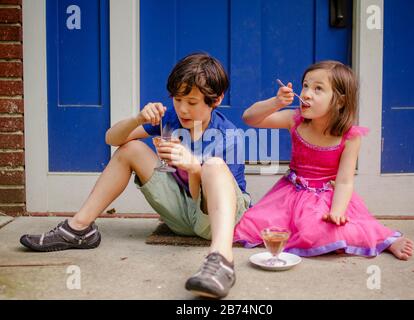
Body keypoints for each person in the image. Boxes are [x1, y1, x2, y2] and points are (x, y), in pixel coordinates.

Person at [20, 52, 251, 299]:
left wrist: (194, 168)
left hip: (218, 220)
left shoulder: (229, 136)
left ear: (215, 100)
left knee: (213, 165)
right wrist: (138, 119)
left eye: (192, 102)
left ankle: (221, 260)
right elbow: (111, 139)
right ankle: (79, 229)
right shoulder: (170, 119)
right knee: (130, 148)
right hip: (183, 213)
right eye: (177, 98)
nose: (182, 108)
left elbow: (210, 205)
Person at [234, 61, 414, 260]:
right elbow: (249, 118)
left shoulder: (349, 137)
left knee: (319, 230)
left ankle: (388, 239)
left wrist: (336, 211)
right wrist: (275, 102)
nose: (306, 93)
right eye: (305, 86)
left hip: (328, 198)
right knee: (251, 223)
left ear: (340, 101)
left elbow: (345, 181)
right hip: (289, 195)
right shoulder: (293, 120)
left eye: (318, 89)